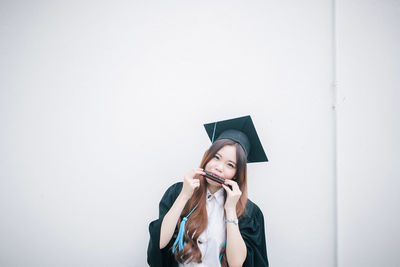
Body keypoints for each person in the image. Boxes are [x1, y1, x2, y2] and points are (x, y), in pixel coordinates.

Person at [147, 115, 269, 267]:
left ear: (237, 174)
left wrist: (230, 209)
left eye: (230, 165)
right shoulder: (178, 191)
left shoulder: (250, 213)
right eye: (216, 157)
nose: (218, 167)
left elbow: (237, 263)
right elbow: (159, 243)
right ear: (207, 157)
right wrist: (184, 195)